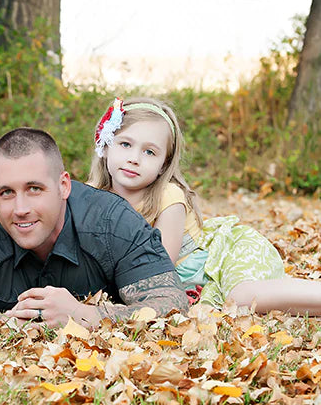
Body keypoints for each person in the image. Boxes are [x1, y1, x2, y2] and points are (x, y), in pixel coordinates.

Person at [0, 128, 189, 328]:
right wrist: (10, 325)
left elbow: (172, 304)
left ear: (64, 185)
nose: (20, 208)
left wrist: (85, 316)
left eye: (34, 189)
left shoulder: (110, 221)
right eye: (6, 192)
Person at [88, 96, 321, 314]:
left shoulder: (168, 197)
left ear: (163, 165)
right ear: (106, 146)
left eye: (149, 152)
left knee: (241, 296)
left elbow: (158, 267)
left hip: (223, 257)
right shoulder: (89, 197)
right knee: (248, 303)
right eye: (125, 144)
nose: (134, 158)